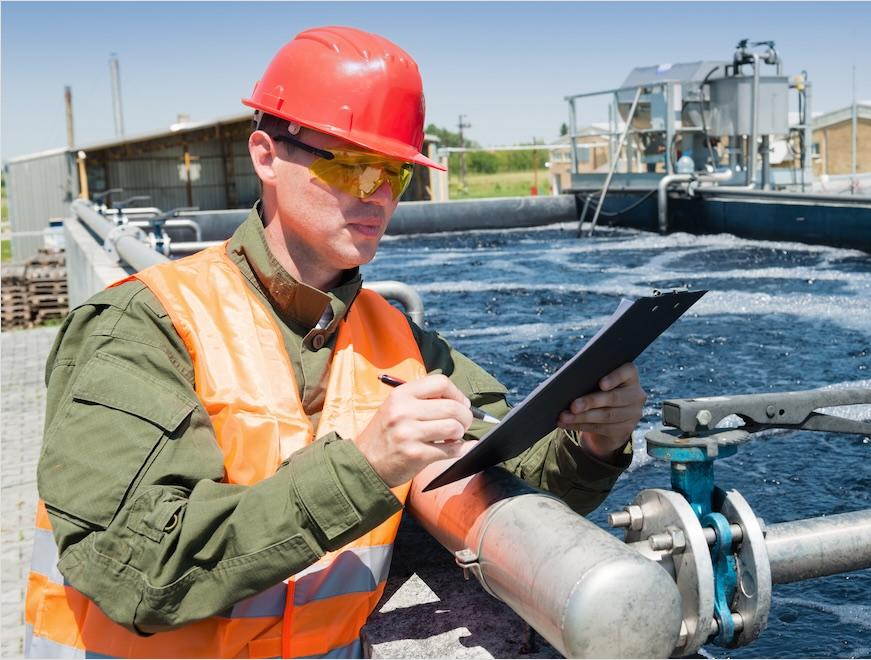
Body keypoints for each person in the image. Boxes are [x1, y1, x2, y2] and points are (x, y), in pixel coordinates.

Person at [25, 26, 645, 658]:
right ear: (265, 156)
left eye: (397, 174)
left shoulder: (399, 338)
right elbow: (136, 572)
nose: (377, 195)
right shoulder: (140, 325)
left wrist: (595, 440)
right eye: (352, 165)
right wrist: (368, 465)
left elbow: (522, 487)